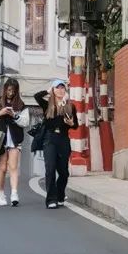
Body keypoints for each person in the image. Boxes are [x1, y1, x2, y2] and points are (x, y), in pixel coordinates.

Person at [34, 79, 77, 209]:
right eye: (57, 88)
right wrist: (48, 91)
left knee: (63, 173)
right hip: (50, 139)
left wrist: (71, 124)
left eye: (62, 88)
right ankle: (51, 199)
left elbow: (76, 125)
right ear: (53, 90)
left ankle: (60, 195)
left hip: (63, 140)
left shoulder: (70, 106)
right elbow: (37, 96)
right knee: (50, 169)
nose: (60, 90)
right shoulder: (48, 105)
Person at [0, 77, 29, 207]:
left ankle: (14, 194)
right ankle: (0, 194)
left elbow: (25, 122)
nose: (11, 93)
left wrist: (14, 115)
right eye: (9, 90)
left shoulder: (20, 105)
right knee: (3, 167)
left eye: (13, 90)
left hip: (15, 139)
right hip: (1, 139)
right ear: (5, 89)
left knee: (13, 167)